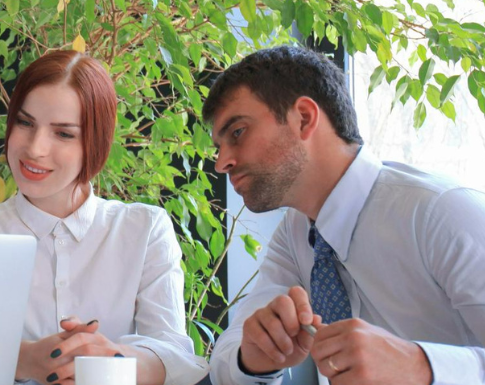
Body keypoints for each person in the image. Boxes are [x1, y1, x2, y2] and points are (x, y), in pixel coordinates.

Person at [205, 46, 485, 385]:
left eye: (238, 132)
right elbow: (227, 361)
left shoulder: (442, 213)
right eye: (219, 147)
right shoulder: (295, 235)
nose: (222, 163)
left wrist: (423, 367)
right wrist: (252, 359)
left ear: (304, 118)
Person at [0, 50, 208, 385]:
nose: (35, 148)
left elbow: (175, 355)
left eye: (64, 133)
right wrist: (23, 359)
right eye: (25, 123)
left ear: (96, 142)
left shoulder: (144, 229)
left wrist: (111, 359)